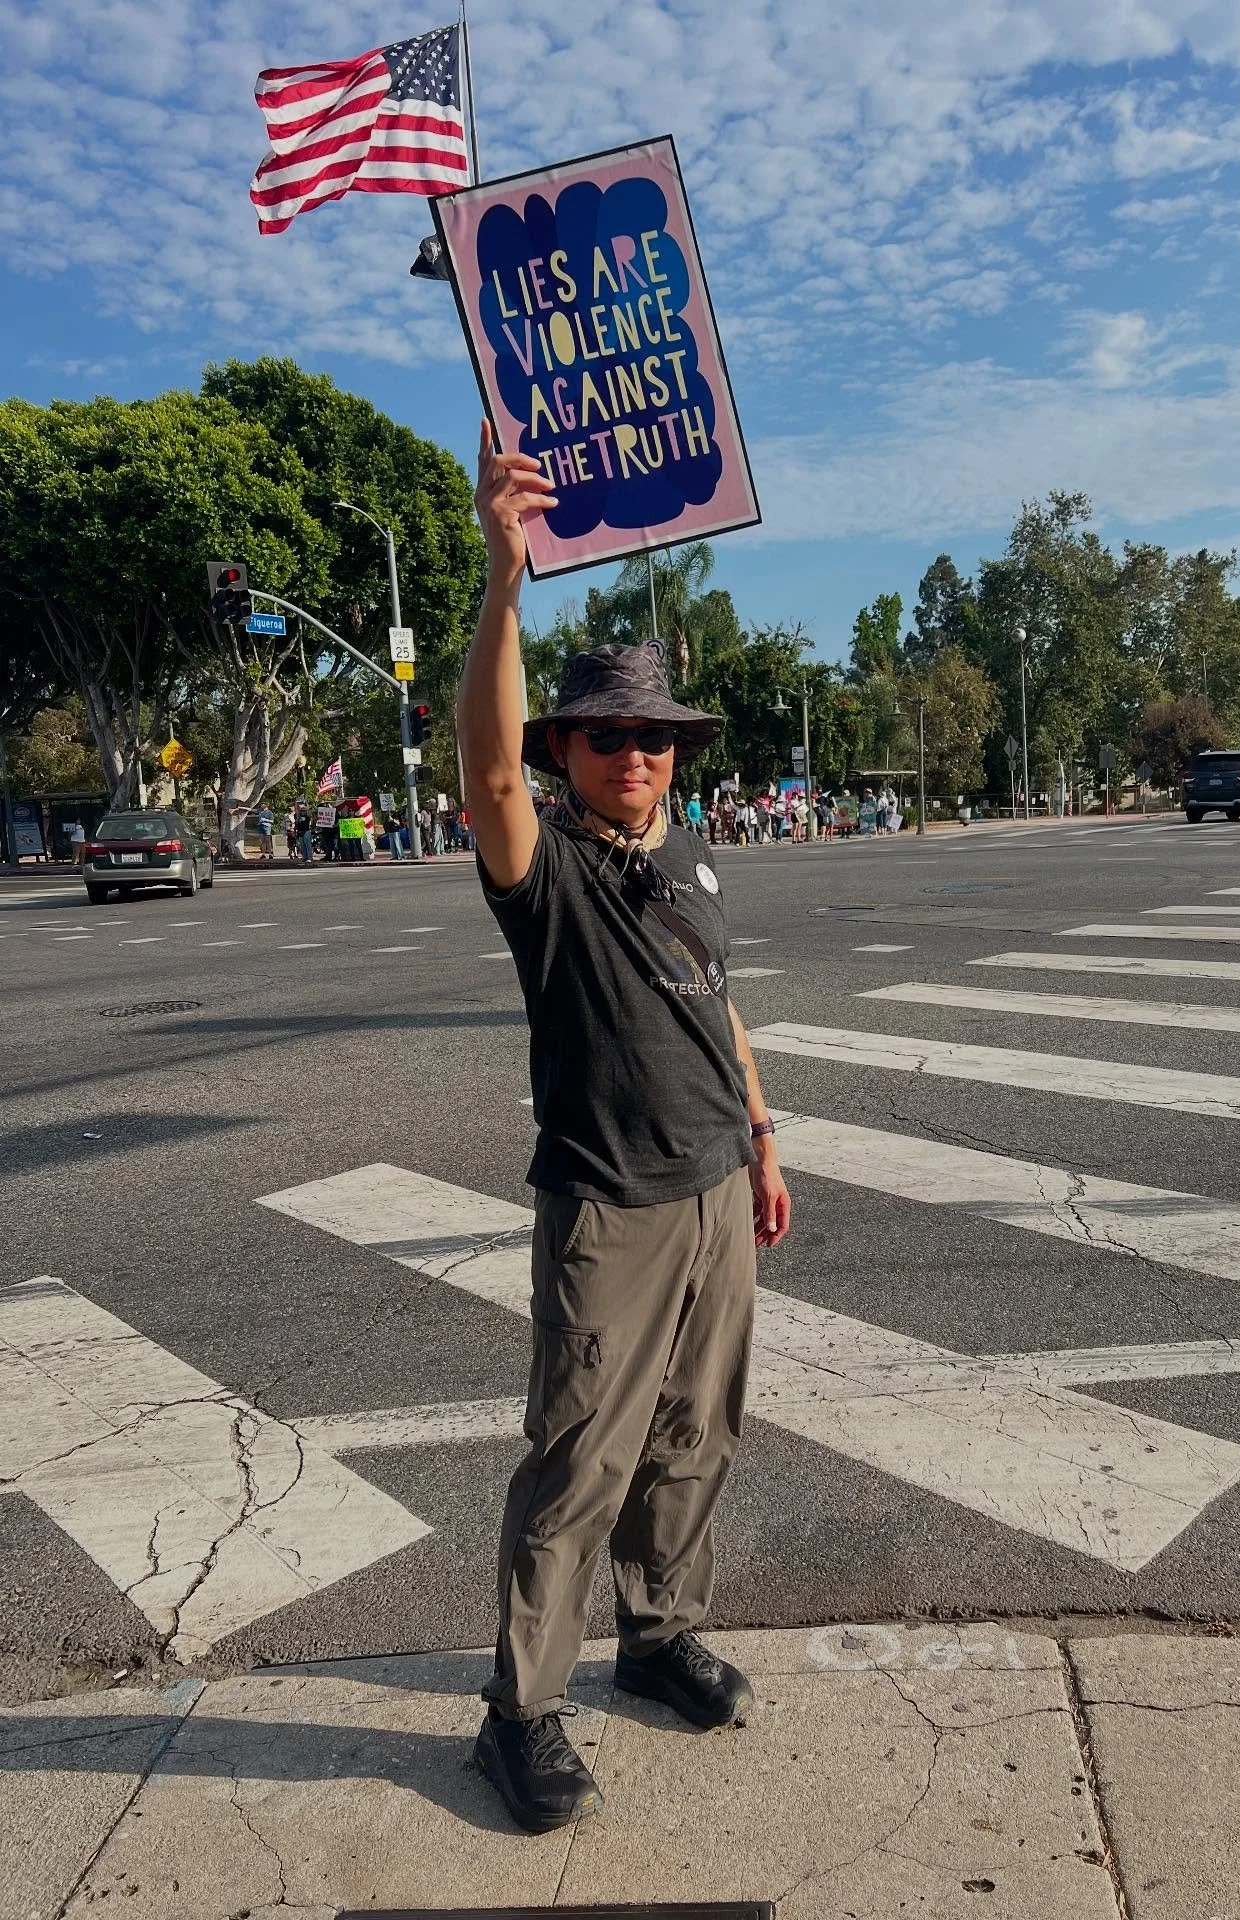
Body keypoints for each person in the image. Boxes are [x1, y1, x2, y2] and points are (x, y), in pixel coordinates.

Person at [458, 422, 791, 1837]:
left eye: (653, 736)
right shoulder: (545, 867)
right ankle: (520, 1712)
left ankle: (658, 1638)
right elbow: (480, 774)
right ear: (567, 750)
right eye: (609, 736)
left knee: (697, 1436)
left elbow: (719, 1000)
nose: (636, 756)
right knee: (580, 1458)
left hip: (718, 1185)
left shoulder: (691, 847)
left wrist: (764, 1138)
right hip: (610, 1205)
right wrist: (503, 583)